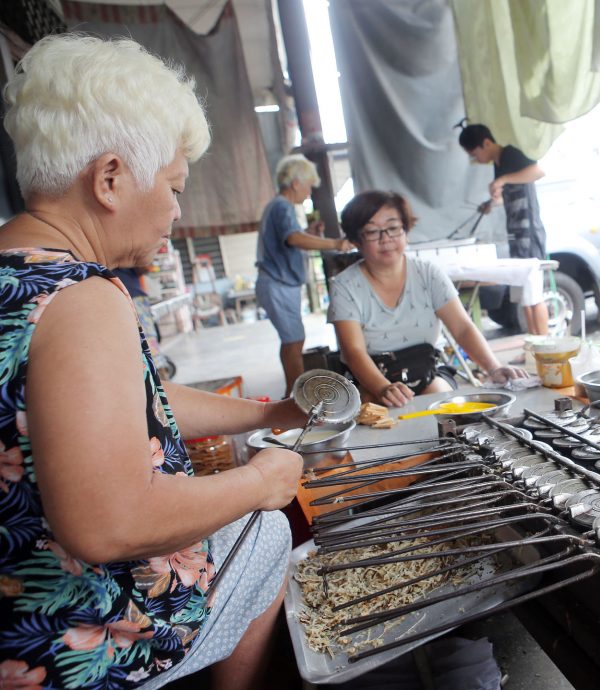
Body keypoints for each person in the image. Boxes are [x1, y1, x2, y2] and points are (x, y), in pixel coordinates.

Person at [0, 34, 311, 689]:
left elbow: (133, 403)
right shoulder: (82, 299)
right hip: (70, 651)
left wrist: (272, 411)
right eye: (173, 187)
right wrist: (262, 483)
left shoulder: (18, 275)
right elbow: (107, 523)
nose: (176, 209)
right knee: (271, 532)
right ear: (110, 178)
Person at [328, 190, 527, 407]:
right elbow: (353, 351)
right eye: (372, 232)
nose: (386, 239)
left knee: (443, 404)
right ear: (356, 240)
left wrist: (494, 368)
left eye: (393, 228)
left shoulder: (428, 273)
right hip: (370, 380)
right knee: (373, 410)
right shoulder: (344, 286)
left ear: (406, 230)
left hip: (426, 372)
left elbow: (462, 328)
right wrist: (382, 388)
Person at [255, 154, 352, 398]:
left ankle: (292, 393)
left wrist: (309, 232)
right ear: (296, 183)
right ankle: (295, 397)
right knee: (294, 340)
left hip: (279, 283)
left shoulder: (279, 207)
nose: (309, 192)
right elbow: (293, 238)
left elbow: (292, 238)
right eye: (308, 186)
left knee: (292, 341)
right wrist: (335, 243)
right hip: (277, 283)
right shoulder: (282, 206)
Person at [458, 122, 550, 337]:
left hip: (530, 233)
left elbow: (538, 171)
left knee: (534, 295)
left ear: (486, 143)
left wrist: (502, 179)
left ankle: (545, 346)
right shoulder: (499, 164)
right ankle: (533, 346)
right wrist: (492, 204)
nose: (476, 159)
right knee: (523, 295)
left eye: (474, 153)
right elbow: (513, 192)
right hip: (516, 234)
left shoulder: (510, 154)